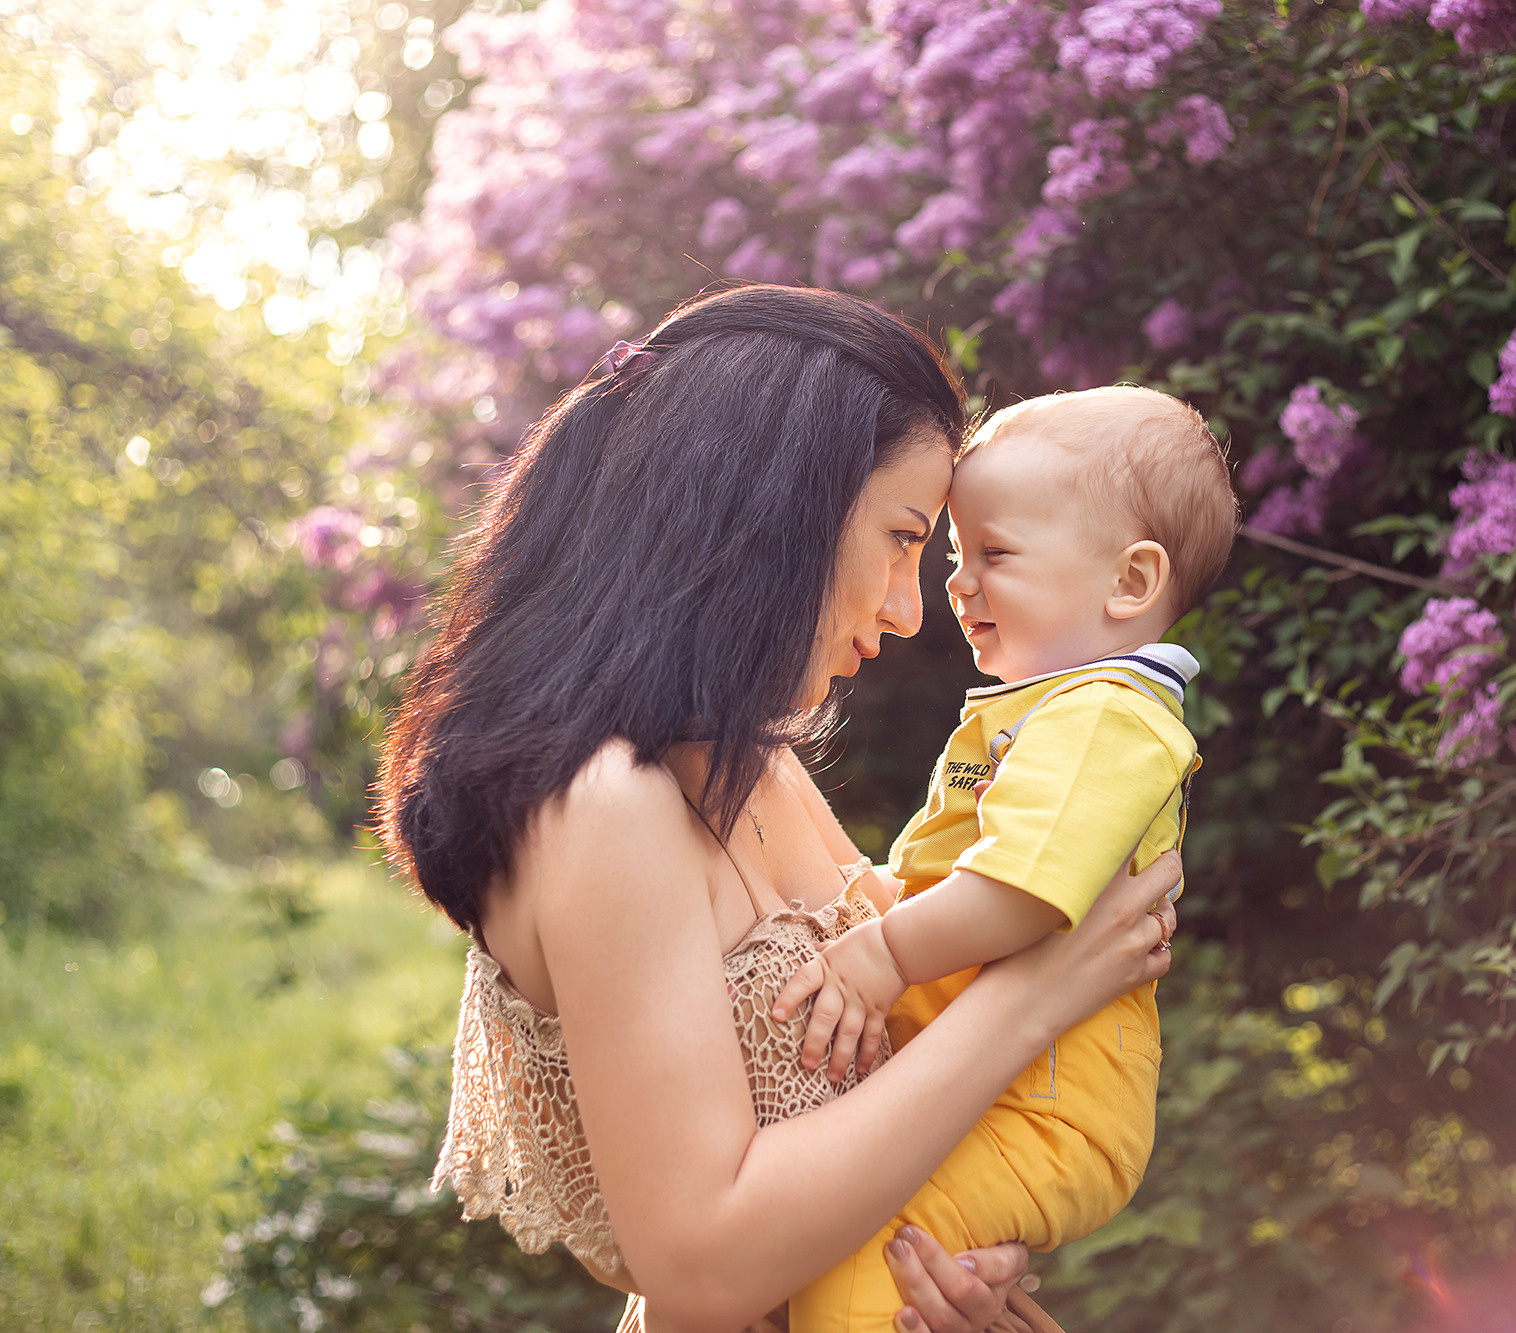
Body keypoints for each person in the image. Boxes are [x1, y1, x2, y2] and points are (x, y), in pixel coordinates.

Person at [375, 286, 1183, 1333]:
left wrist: (965, 1253)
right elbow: (702, 1263)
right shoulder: (606, 805)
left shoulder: (753, 765)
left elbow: (889, 1106)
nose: (909, 610)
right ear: (771, 513)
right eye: (903, 537)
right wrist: (1033, 998)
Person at [770, 386, 1237, 1332]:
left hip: (1044, 1108)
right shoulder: (1052, 710)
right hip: (1001, 1088)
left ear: (1130, 581)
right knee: (861, 1245)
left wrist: (883, 951)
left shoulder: (1107, 717)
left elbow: (1019, 892)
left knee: (859, 1241)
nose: (957, 584)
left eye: (996, 554)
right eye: (955, 554)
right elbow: (949, 879)